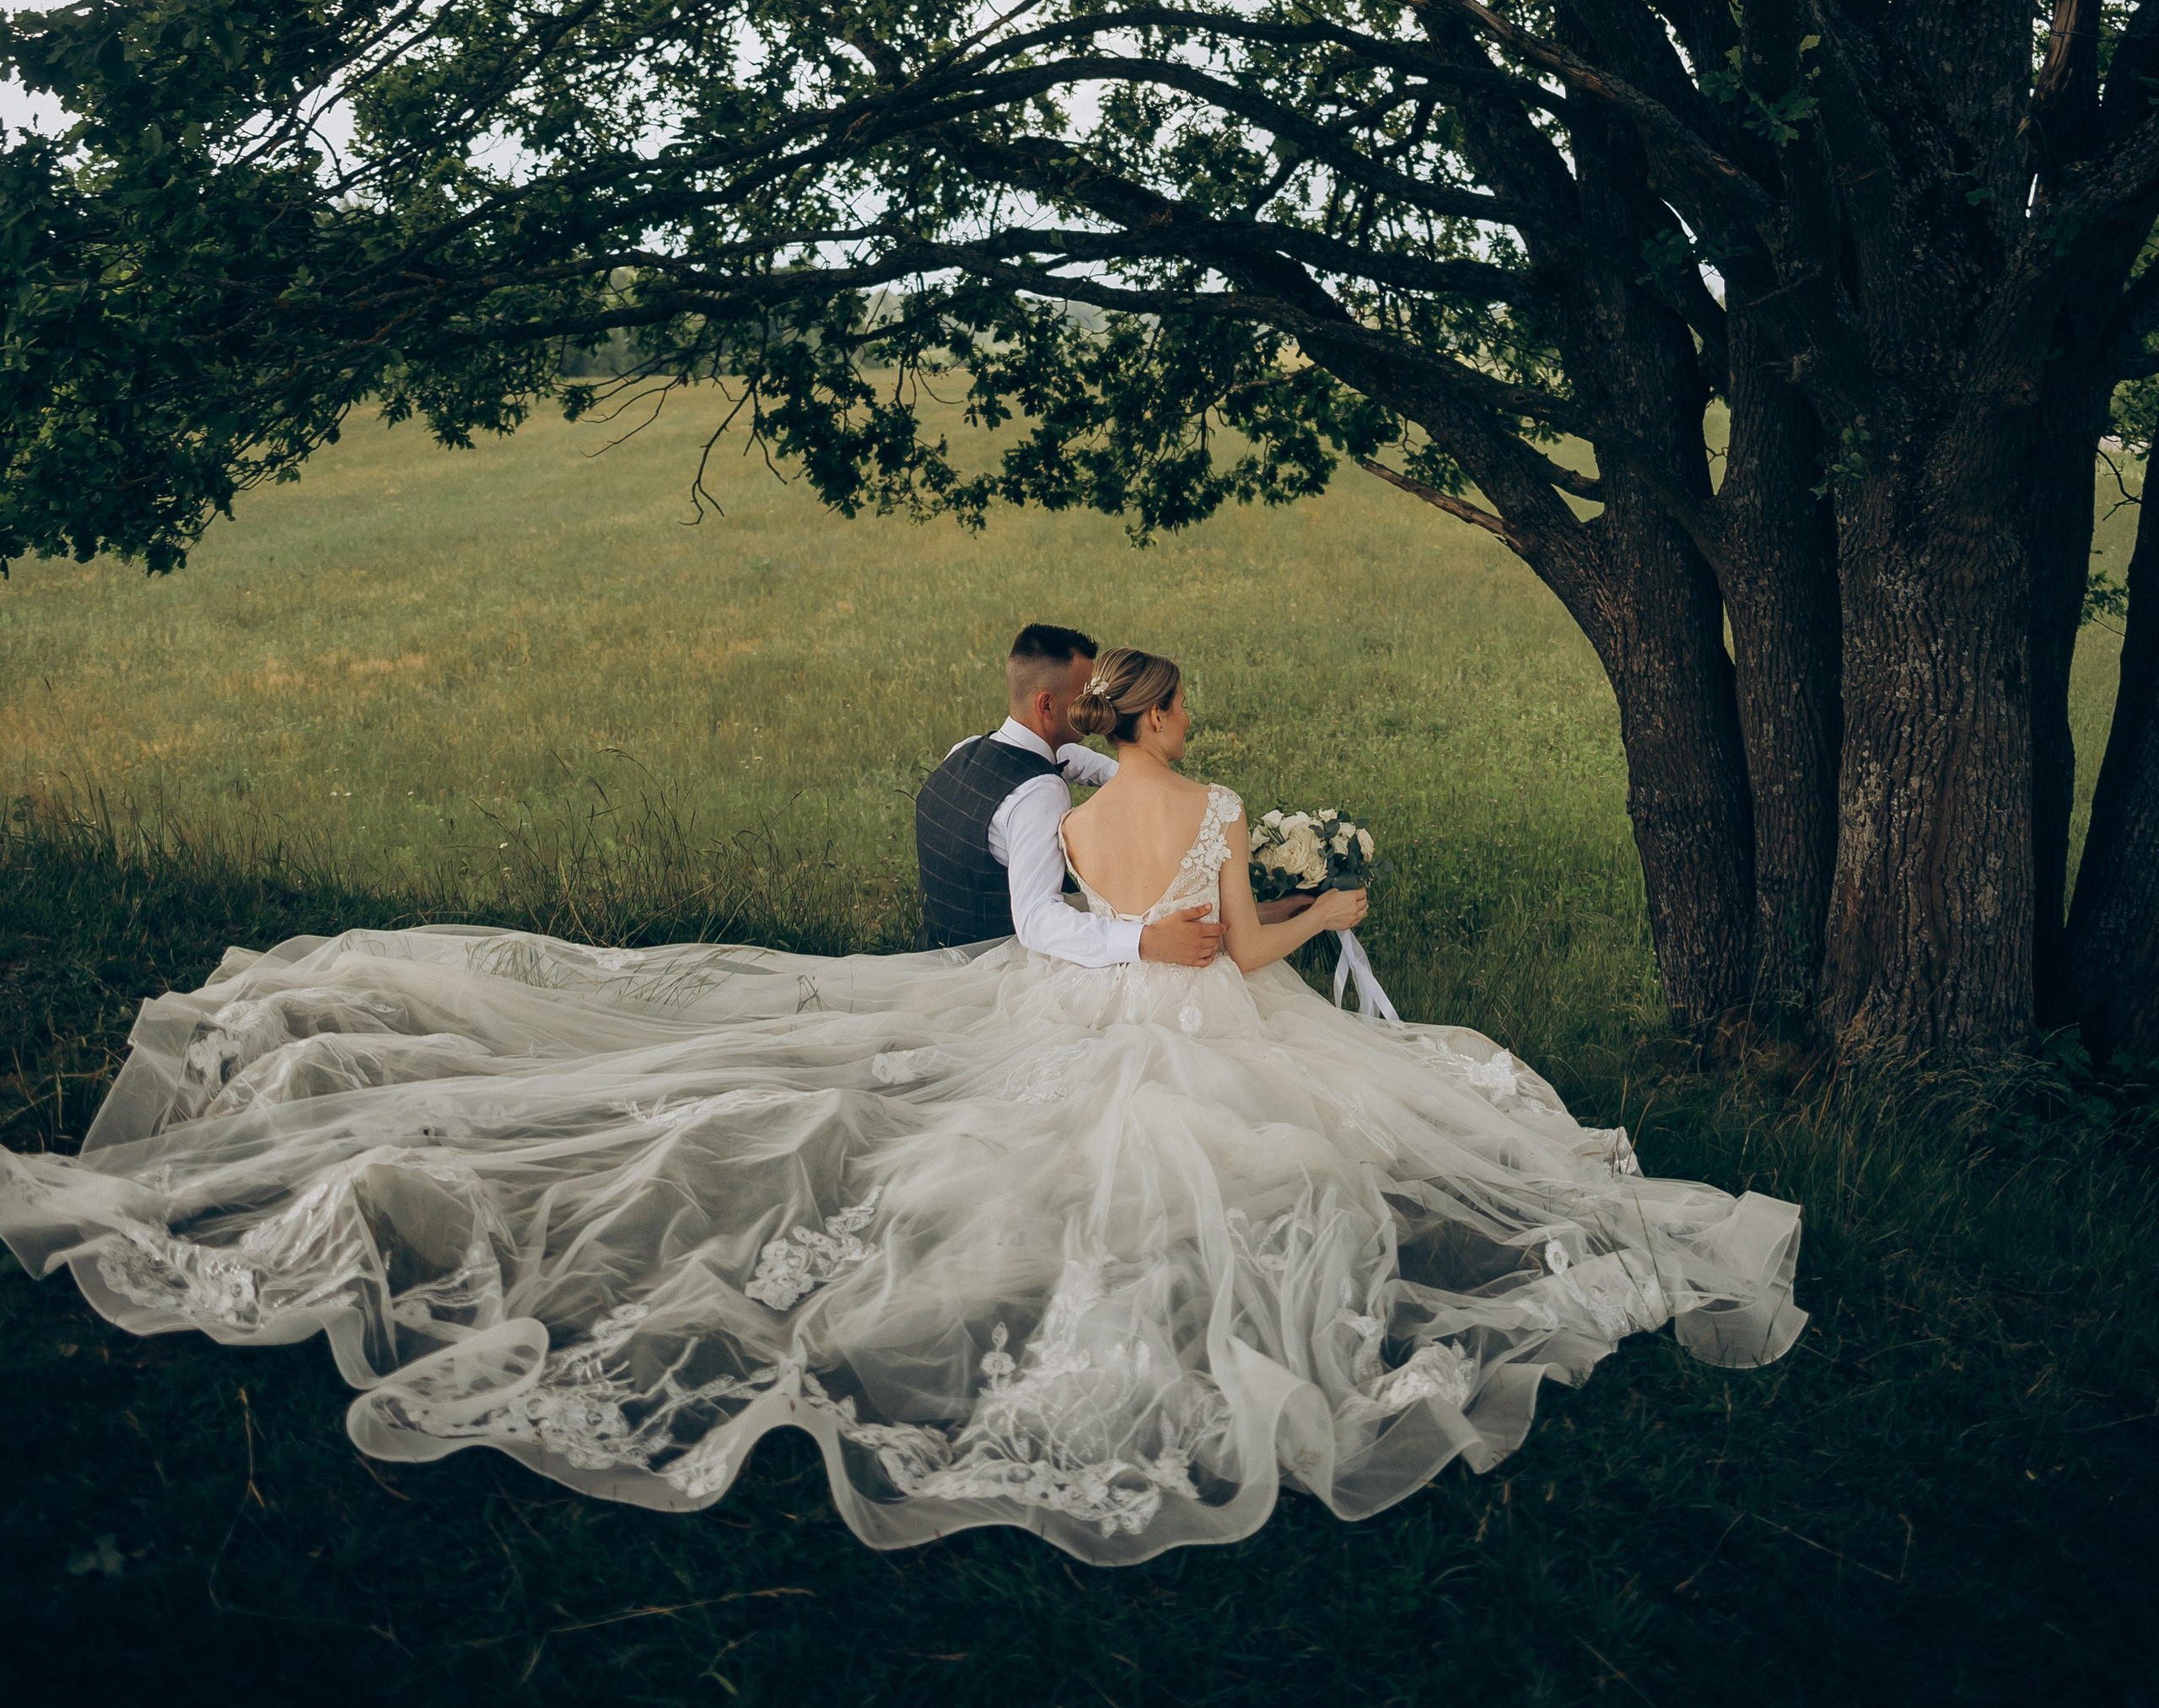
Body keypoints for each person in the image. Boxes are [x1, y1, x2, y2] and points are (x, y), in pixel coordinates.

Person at [0, 644, 1804, 1565]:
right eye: (1182, 703)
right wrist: (1322, 912)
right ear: (1161, 717)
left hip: (1065, 1004)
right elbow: (1206, 955)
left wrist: (1203, 918)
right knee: (1306, 1156)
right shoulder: (1207, 795)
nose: (1186, 717)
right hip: (1181, 1024)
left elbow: (1103, 932)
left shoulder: (1072, 805)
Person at [914, 620, 1229, 968]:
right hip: (996, 967)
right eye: (1087, 694)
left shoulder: (967, 749)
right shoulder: (1039, 794)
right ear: (1046, 705)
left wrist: (1139, 777)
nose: (1097, 703)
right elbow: (1037, 920)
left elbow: (1068, 759)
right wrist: (1145, 941)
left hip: (937, 944)